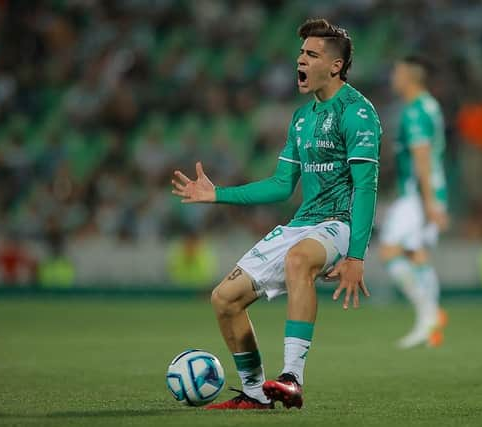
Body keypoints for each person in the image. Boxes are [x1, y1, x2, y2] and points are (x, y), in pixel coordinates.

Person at [171, 18, 381, 410]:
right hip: (303, 223)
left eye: (311, 54)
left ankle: (292, 378)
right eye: (301, 53)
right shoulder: (302, 117)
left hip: (339, 222)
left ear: (335, 66)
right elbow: (283, 184)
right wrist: (218, 194)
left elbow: (366, 186)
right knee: (224, 299)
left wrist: (355, 256)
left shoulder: (358, 112)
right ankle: (254, 394)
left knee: (298, 259)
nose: (300, 60)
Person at [378, 55, 449, 349]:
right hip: (427, 190)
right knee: (416, 254)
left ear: (409, 76)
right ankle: (429, 319)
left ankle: (428, 316)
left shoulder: (415, 112)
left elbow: (421, 156)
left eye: (397, 73)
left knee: (390, 251)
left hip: (418, 194)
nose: (394, 78)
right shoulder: (430, 105)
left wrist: (429, 202)